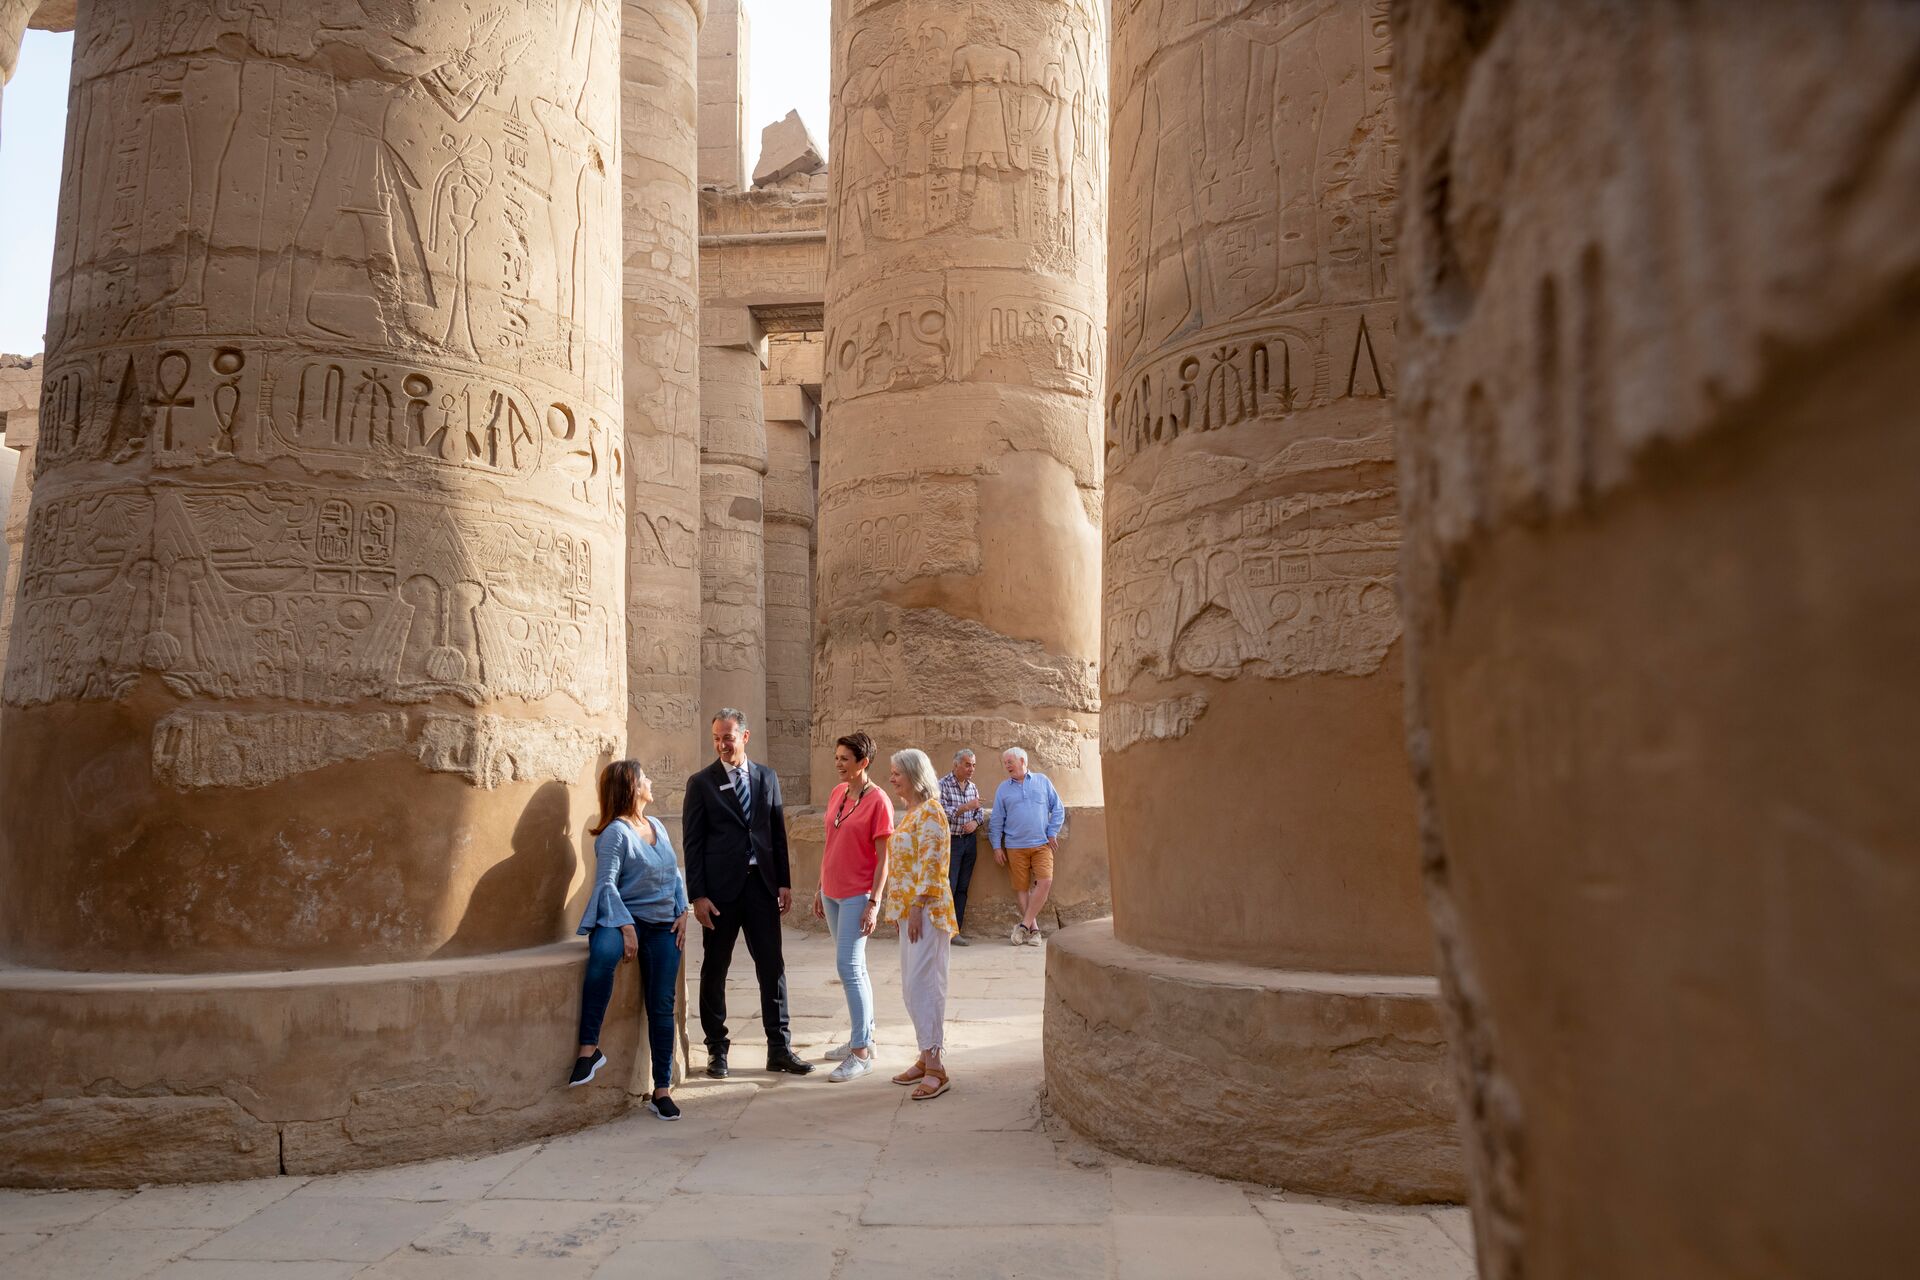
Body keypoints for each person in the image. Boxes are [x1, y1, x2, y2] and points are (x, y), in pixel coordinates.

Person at [684, 709, 814, 1079]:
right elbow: (692, 843)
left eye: (728, 737)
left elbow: (776, 834)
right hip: (720, 895)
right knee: (715, 970)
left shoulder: (766, 777)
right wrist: (698, 895)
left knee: (772, 967)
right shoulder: (701, 783)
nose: (722, 744)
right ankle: (717, 1050)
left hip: (761, 888)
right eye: (717, 738)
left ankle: (779, 1048)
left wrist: (784, 883)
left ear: (745, 736)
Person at [570, 760, 692, 1120]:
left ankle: (661, 1089)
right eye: (645, 779)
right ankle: (588, 1050)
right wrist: (625, 926)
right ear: (632, 788)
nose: (650, 782)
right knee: (603, 955)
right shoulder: (615, 833)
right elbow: (606, 883)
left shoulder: (656, 825)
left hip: (663, 924)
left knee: (661, 1002)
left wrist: (682, 910)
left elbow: (673, 872)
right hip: (623, 915)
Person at [812, 730, 893, 1081]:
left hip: (858, 894)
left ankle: (860, 1053)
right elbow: (830, 843)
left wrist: (874, 902)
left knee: (848, 967)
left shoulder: (879, 801)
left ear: (864, 762)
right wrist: (819, 887)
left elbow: (884, 859)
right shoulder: (837, 793)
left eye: (845, 758)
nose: (838, 764)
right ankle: (862, 1038)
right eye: (837, 757)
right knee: (854, 968)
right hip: (831, 891)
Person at [883, 747, 958, 1099]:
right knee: (912, 987)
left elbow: (932, 862)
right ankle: (925, 1054)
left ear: (914, 774)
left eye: (897, 772)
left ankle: (937, 1067)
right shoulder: (911, 812)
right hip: (910, 911)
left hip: (926, 910)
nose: (892, 778)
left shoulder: (931, 812)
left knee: (924, 984)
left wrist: (916, 906)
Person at [987, 746, 1065, 945]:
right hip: (1014, 846)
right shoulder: (1003, 789)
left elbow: (1058, 808)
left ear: (1022, 761)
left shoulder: (1042, 781)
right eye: (1005, 763)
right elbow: (996, 819)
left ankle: (1023, 926)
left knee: (1045, 882)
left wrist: (1052, 831)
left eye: (1010, 762)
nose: (1007, 766)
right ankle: (1035, 931)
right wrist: (996, 846)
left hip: (1042, 844)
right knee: (1021, 888)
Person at [938, 749, 986, 945]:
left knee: (963, 887)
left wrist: (975, 823)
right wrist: (965, 807)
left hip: (969, 841)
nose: (971, 769)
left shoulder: (972, 787)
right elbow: (941, 812)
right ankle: (944, 930)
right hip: (952, 841)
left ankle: (956, 929)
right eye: (967, 765)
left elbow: (980, 813)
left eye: (973, 765)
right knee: (950, 885)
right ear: (956, 765)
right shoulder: (943, 785)